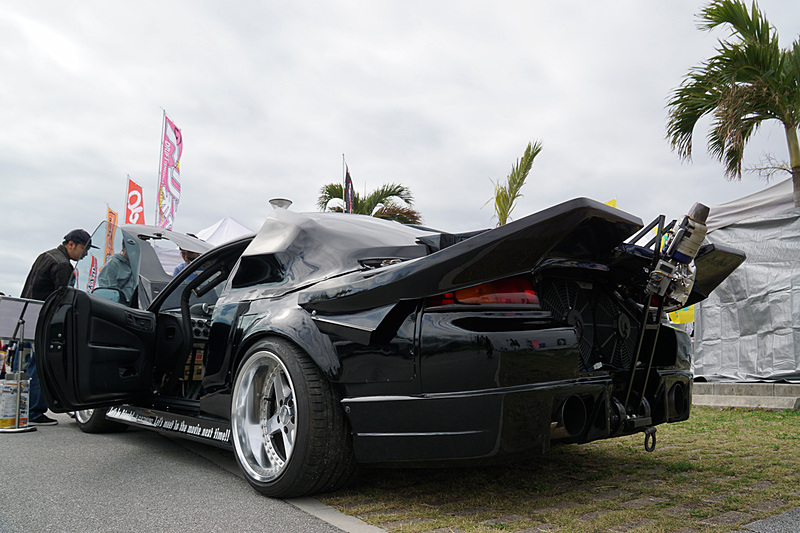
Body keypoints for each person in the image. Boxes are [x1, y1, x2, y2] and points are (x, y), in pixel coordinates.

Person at [21, 229, 96, 426]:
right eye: (84, 249)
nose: (86, 254)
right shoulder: (63, 265)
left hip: (27, 316)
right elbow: (64, 300)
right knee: (40, 365)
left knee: (28, 364)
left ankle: (25, 409)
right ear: (71, 244)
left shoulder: (45, 256)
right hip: (43, 320)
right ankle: (34, 411)